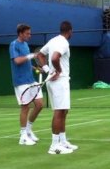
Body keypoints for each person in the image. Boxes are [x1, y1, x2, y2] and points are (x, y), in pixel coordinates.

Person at [37, 21, 78, 154]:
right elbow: (55, 58)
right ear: (70, 31)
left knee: (63, 111)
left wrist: (47, 70)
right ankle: (54, 146)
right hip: (59, 80)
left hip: (56, 80)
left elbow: (40, 55)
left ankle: (63, 141)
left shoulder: (53, 40)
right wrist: (57, 70)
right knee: (59, 112)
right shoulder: (64, 43)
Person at [9, 24, 43, 145]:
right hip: (20, 81)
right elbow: (17, 61)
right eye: (27, 33)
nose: (30, 35)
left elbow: (26, 62)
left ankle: (28, 130)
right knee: (25, 107)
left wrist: (36, 68)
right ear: (21, 33)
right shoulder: (14, 44)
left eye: (30, 33)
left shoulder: (26, 45)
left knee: (39, 104)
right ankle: (23, 136)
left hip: (30, 79)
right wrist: (31, 56)